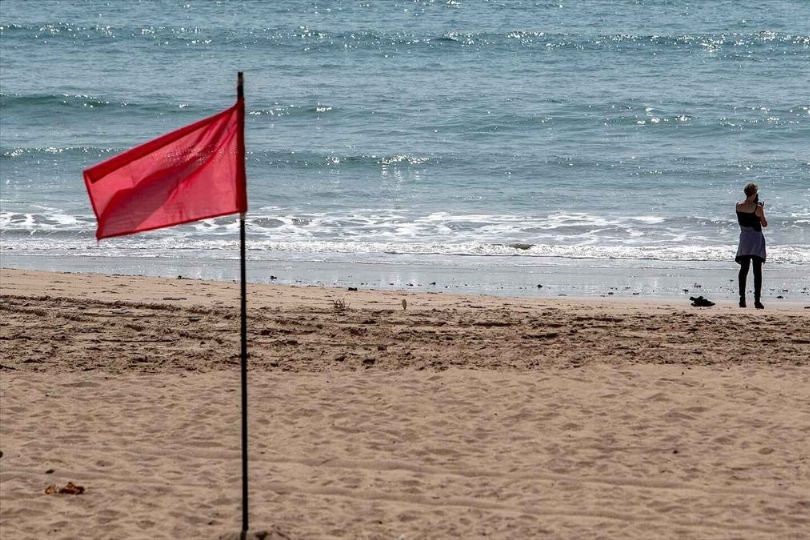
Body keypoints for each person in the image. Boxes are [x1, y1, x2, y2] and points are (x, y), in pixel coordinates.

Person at [735, 182, 767, 309]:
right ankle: (757, 301)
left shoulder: (738, 206)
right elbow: (764, 224)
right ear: (754, 194)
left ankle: (742, 299)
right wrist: (761, 210)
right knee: (757, 271)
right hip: (756, 239)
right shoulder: (757, 208)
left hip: (744, 238)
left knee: (744, 269)